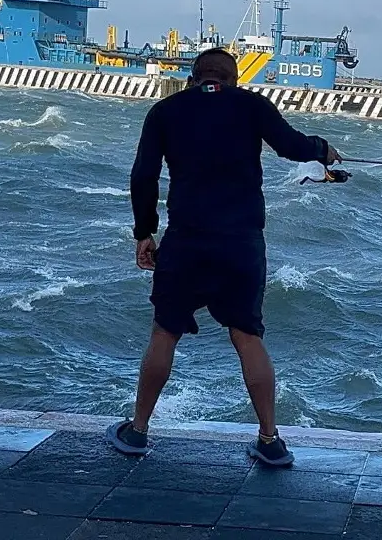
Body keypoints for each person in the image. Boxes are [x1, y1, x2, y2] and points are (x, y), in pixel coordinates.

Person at [106, 47, 341, 467]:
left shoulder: (165, 111)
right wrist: (322, 149)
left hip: (186, 240)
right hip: (241, 243)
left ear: (194, 76)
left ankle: (138, 431)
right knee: (247, 337)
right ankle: (269, 440)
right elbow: (291, 146)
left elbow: (143, 176)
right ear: (234, 78)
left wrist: (144, 232)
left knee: (164, 333)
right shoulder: (252, 106)